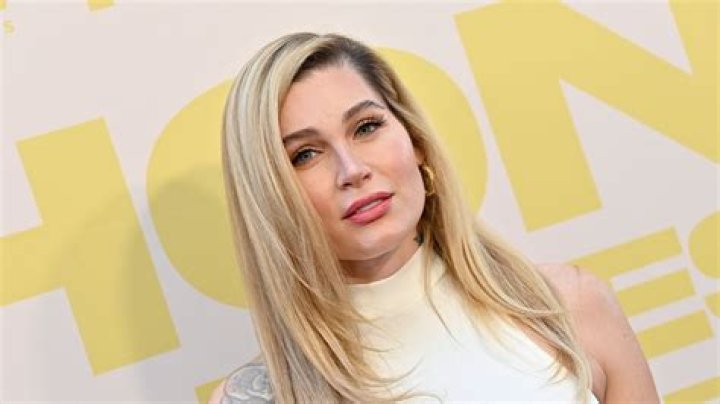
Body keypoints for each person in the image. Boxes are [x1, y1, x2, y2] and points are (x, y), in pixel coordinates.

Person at [211, 32, 658, 403]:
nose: (352, 170)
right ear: (270, 196)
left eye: (366, 127)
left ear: (416, 141)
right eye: (305, 154)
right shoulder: (256, 398)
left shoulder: (567, 304)